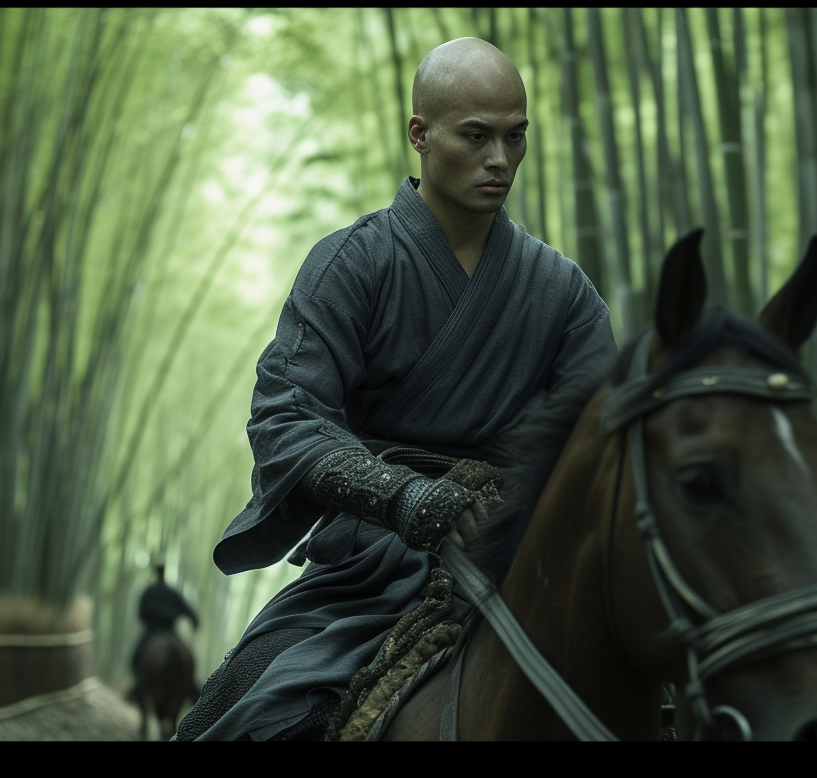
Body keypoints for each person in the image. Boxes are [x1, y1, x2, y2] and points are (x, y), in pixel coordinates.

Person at [175, 38, 616, 741]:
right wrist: (405, 498)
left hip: (522, 561)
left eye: (515, 137)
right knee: (249, 710)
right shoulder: (353, 264)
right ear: (420, 134)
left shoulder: (564, 293)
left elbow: (604, 443)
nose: (500, 160)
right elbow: (286, 417)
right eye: (477, 136)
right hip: (366, 570)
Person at [127, 560, 200, 704]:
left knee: (137, 657)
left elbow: (141, 614)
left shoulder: (149, 591)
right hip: (170, 630)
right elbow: (190, 612)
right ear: (164, 572)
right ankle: (193, 688)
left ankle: (138, 687)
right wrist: (194, 623)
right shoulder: (173, 592)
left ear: (156, 572)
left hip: (152, 631)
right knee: (187, 657)